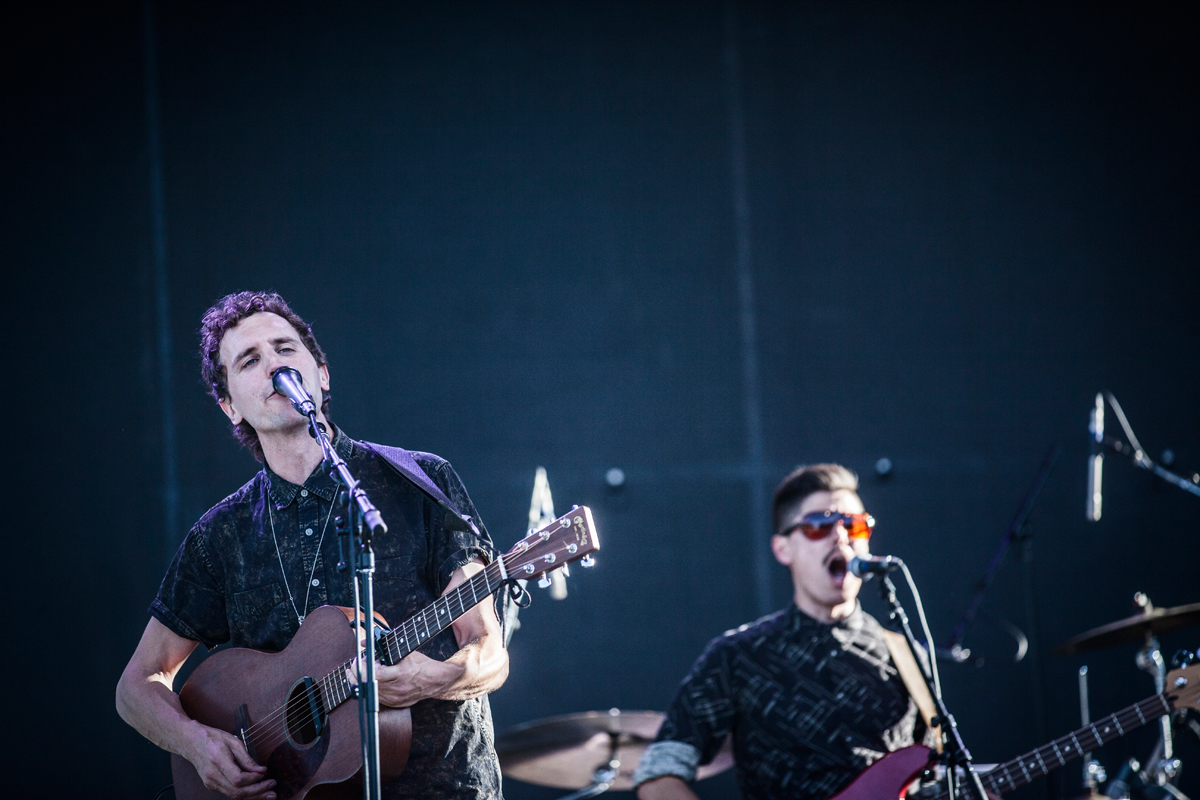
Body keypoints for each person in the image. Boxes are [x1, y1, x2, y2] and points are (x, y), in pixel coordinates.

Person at [116, 292, 508, 800]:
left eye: (285, 348)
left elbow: (488, 651)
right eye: (250, 360)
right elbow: (136, 686)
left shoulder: (419, 482)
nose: (274, 363)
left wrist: (431, 679)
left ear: (321, 374)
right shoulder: (221, 535)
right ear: (230, 405)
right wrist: (198, 745)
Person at [633, 464, 935, 800]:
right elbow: (658, 773)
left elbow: (937, 775)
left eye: (855, 524)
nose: (840, 535)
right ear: (782, 549)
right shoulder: (738, 656)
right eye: (819, 525)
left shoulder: (908, 656)